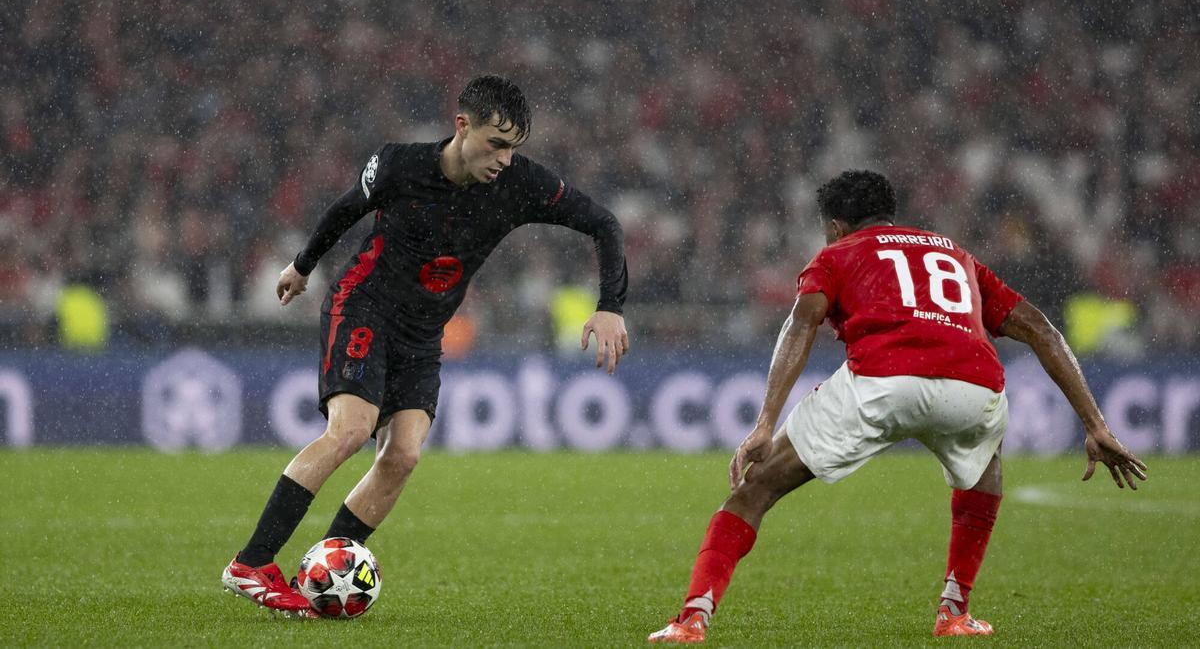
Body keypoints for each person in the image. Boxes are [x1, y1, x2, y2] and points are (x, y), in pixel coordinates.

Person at [648, 170, 1146, 642]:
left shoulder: (839, 253)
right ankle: (955, 610)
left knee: (755, 489)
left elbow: (801, 323)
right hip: (973, 387)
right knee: (985, 467)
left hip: (883, 381)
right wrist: (1095, 423)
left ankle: (693, 618)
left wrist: (764, 424)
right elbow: (1041, 329)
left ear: (837, 226)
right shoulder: (956, 255)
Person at [221, 75, 630, 617]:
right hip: (364, 305)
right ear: (462, 126)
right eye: (497, 143)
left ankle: (328, 566)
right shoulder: (400, 165)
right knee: (350, 430)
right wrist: (302, 265)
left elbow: (603, 223)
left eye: (515, 147)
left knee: (404, 455)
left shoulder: (520, 183)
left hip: (422, 333)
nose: (505, 159)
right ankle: (251, 564)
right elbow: (346, 209)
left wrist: (610, 306)